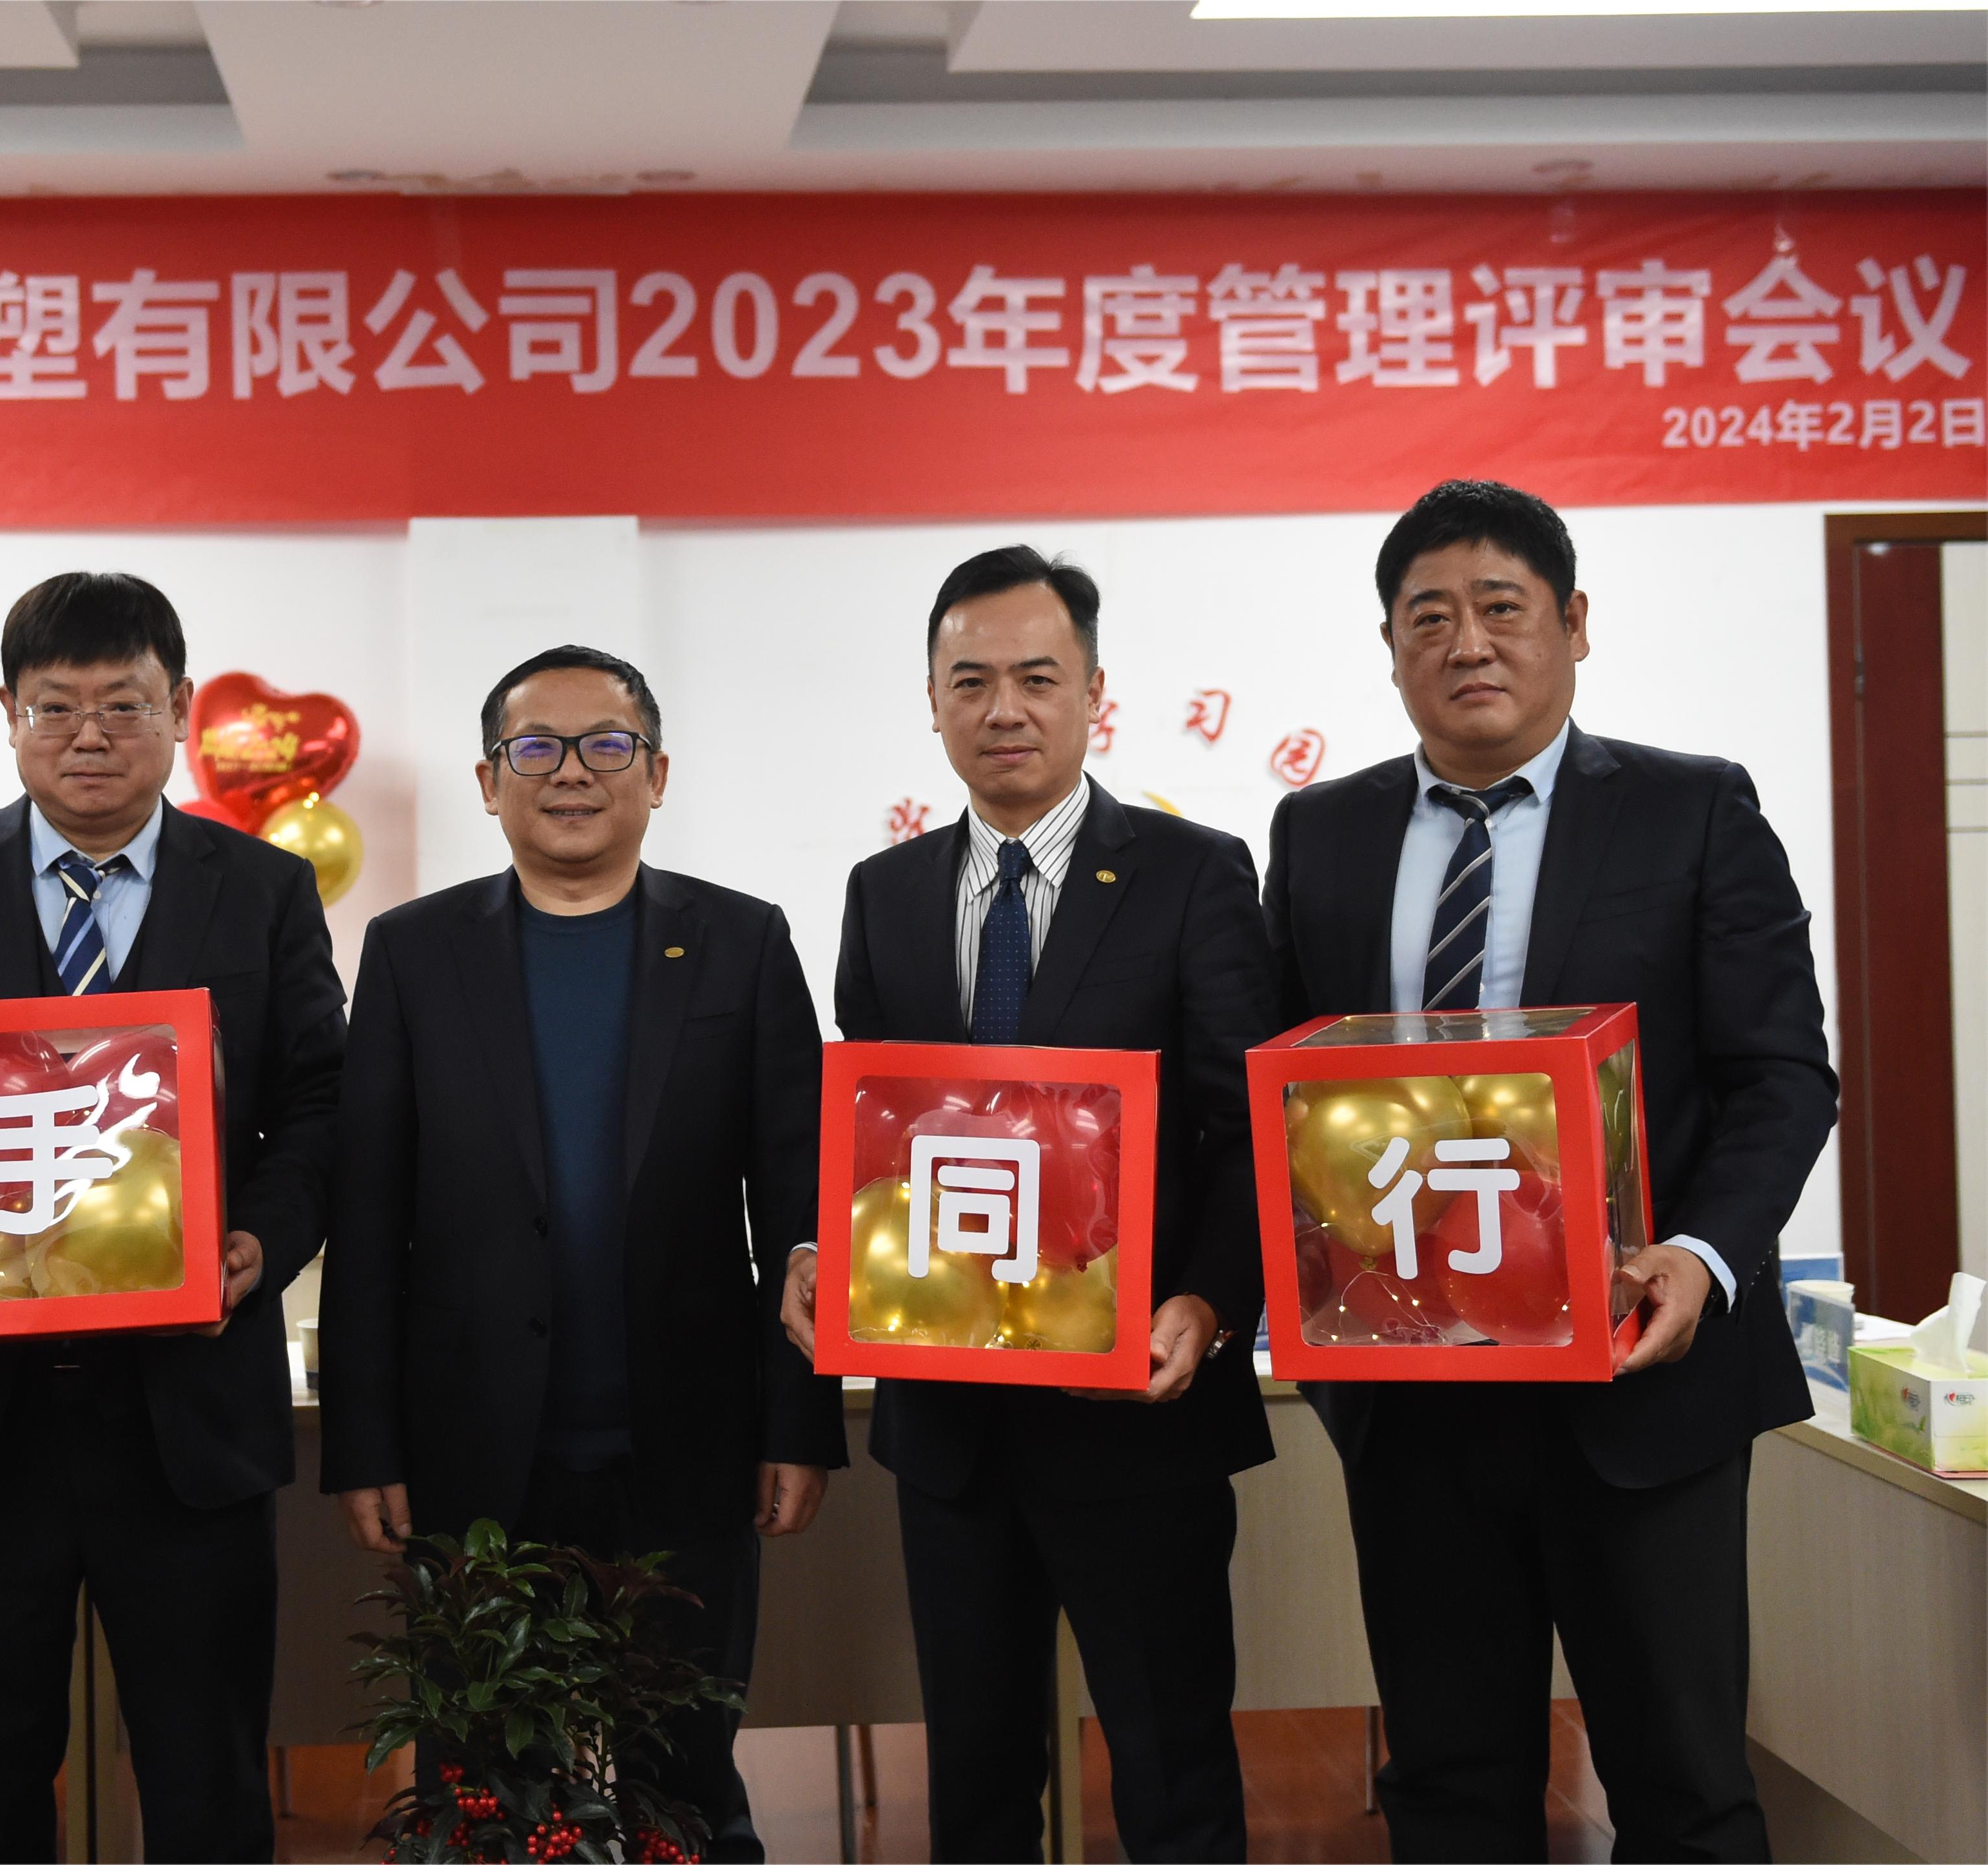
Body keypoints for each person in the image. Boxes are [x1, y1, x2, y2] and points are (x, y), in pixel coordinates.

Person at [1261, 480, 1835, 1862]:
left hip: (1641, 1379)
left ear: (1573, 623)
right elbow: (1284, 1093)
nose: (1467, 643)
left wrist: (1701, 1257)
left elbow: (1781, 1077)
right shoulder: (1320, 834)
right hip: (1415, 1399)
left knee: (1683, 1785)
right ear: (1389, 646)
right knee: (1450, 1784)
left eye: (1501, 607)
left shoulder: (1692, 810)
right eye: (1428, 617)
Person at [0, 571, 346, 1864]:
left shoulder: (261, 887)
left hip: (188, 1413)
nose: (89, 734)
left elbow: (321, 1104)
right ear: (8, 712)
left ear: (179, 708)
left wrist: (262, 1243)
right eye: (56, 706)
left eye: (123, 704)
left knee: (207, 1778)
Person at [781, 549, 1278, 1863]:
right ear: (932, 702)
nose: (1003, 708)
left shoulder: (1192, 873)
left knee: (1172, 1773)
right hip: (951, 1428)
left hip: (1139, 1415)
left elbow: (1244, 1126)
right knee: (978, 1783)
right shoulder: (885, 893)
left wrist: (1210, 1299)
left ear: (1095, 695)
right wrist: (827, 1246)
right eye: (971, 681)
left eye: (1037, 678)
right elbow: (879, 1137)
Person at [320, 645, 843, 1862]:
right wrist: (365, 1443)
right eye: (535, 747)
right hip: (473, 1456)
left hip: (689, 1449)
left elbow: (800, 1204)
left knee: (690, 1788)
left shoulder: (741, 941)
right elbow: (369, 1211)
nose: (571, 772)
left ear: (656, 774)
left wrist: (798, 1423)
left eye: (607, 744)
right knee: (483, 1796)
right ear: (487, 780)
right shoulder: (411, 952)